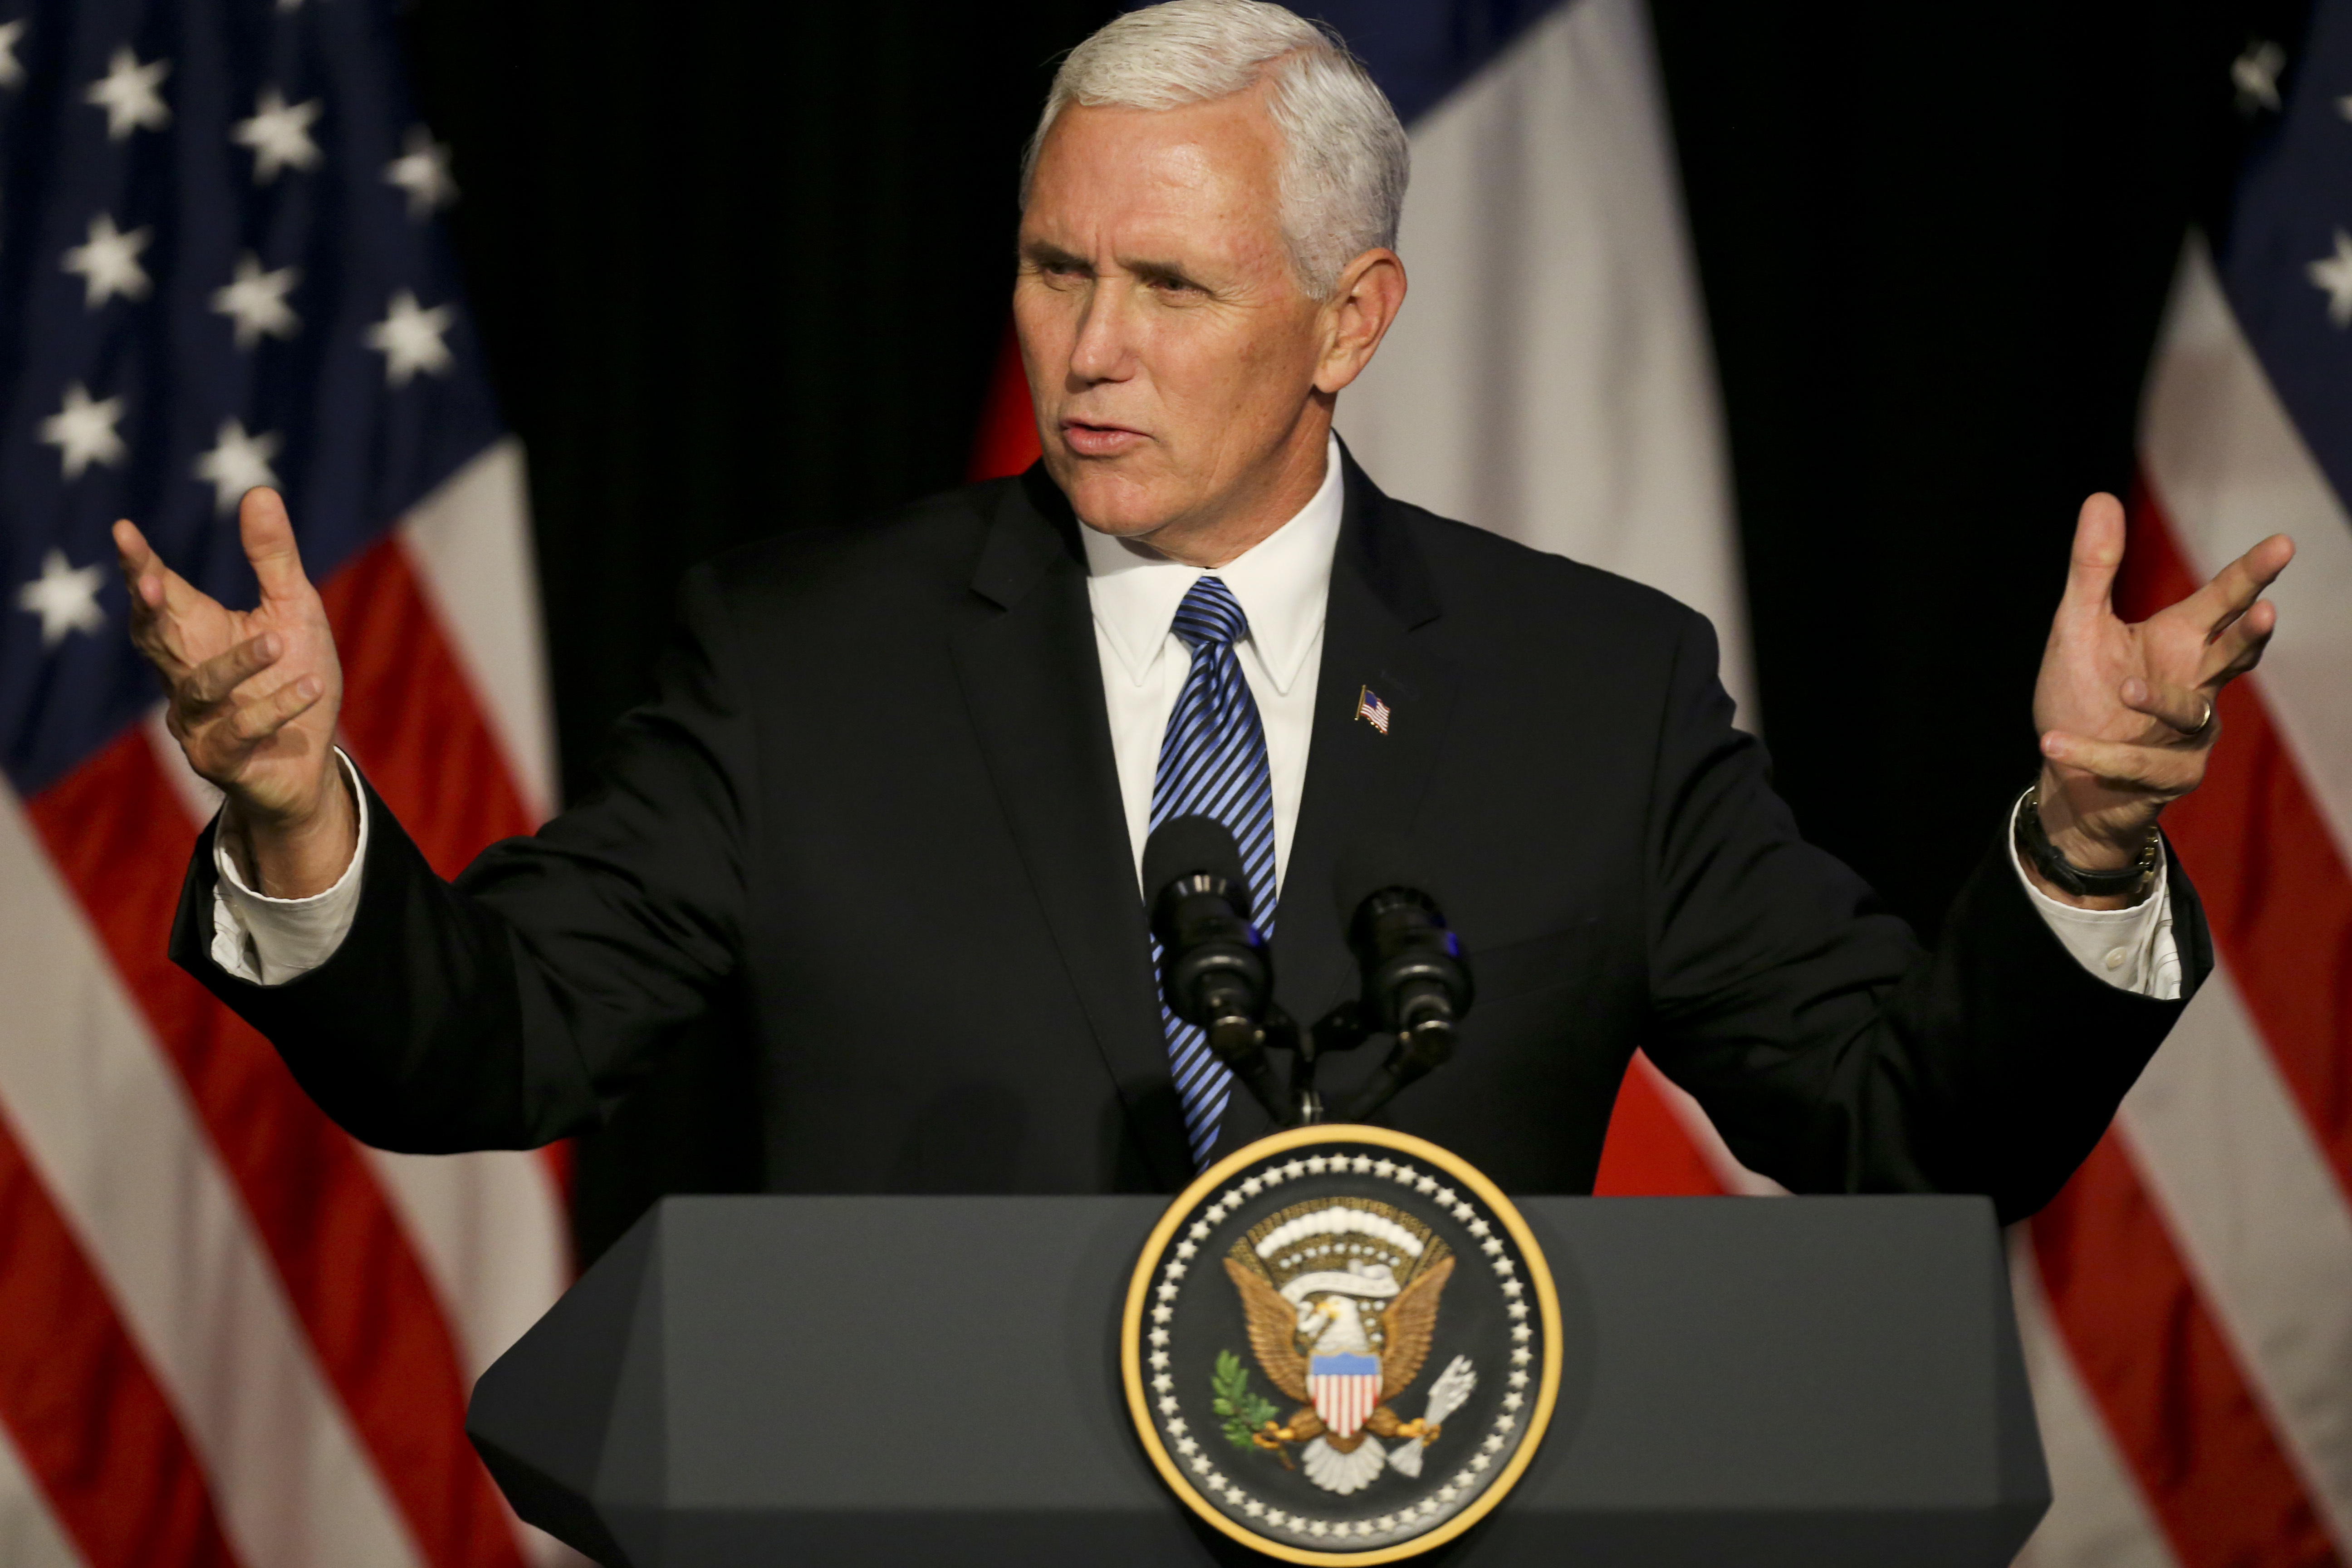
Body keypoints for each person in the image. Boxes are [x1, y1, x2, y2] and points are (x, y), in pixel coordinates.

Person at [117, 0, 2290, 1213]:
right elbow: (483, 1042)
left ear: (1352, 319)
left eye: (1170, 286)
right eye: (1060, 268)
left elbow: (1907, 1126)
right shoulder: (810, 664)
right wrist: (307, 819)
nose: (1089, 350)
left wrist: (2087, 846)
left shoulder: (1590, 691)